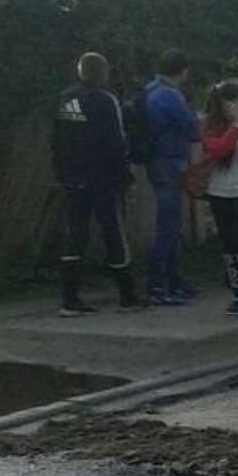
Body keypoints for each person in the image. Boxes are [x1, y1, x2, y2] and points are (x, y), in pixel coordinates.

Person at [50, 52, 140, 315]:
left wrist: (61, 171)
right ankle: (127, 295)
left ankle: (69, 298)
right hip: (102, 179)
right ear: (103, 72)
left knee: (74, 235)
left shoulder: (64, 99)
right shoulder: (105, 100)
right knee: (114, 233)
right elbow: (115, 141)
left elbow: (56, 140)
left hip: (72, 178)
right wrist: (124, 177)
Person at [194, 79, 238, 318]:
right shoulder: (211, 126)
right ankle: (237, 291)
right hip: (219, 191)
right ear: (226, 104)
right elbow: (218, 150)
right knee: (227, 243)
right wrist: (235, 127)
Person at [141, 49, 202, 307]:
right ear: (183, 70)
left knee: (171, 224)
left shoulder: (149, 90)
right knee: (169, 225)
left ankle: (174, 279)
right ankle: (158, 284)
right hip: (170, 160)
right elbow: (192, 131)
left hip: (155, 159)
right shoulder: (169, 95)